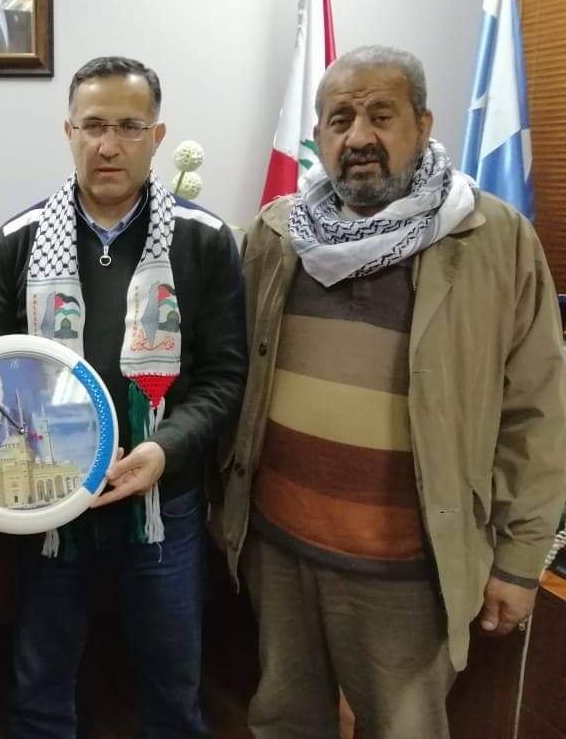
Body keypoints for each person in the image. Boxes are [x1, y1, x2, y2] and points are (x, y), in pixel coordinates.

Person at [220, 45, 566, 739]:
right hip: (279, 549)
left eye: (381, 115)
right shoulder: (276, 235)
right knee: (283, 721)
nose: (359, 137)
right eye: (339, 120)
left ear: (423, 123)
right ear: (318, 135)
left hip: (409, 568)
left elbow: (537, 409)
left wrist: (520, 561)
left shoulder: (494, 239)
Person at [0, 55, 248, 737]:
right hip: (48, 507)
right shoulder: (19, 241)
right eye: (93, 125)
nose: (108, 144)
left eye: (129, 126)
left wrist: (164, 450)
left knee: (173, 692)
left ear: (157, 137)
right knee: (38, 691)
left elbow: (224, 377)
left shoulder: (205, 240)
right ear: (69, 132)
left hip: (161, 506)